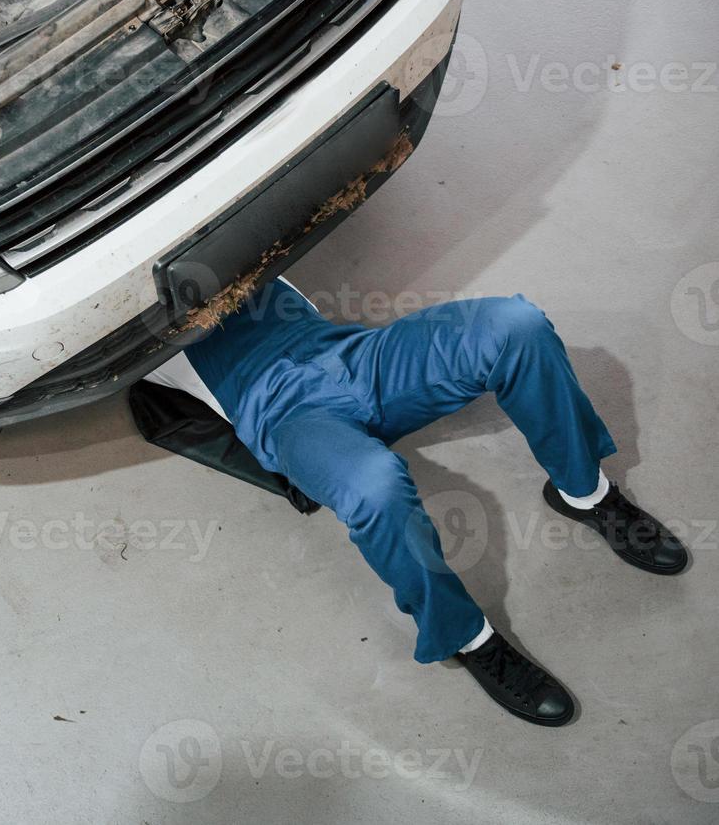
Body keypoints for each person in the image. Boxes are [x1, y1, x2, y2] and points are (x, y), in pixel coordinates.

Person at [144, 277, 687, 726]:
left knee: (515, 326)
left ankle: (585, 492)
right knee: (373, 486)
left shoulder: (219, 223)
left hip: (353, 356)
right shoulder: (120, 309)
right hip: (289, 415)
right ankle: (466, 638)